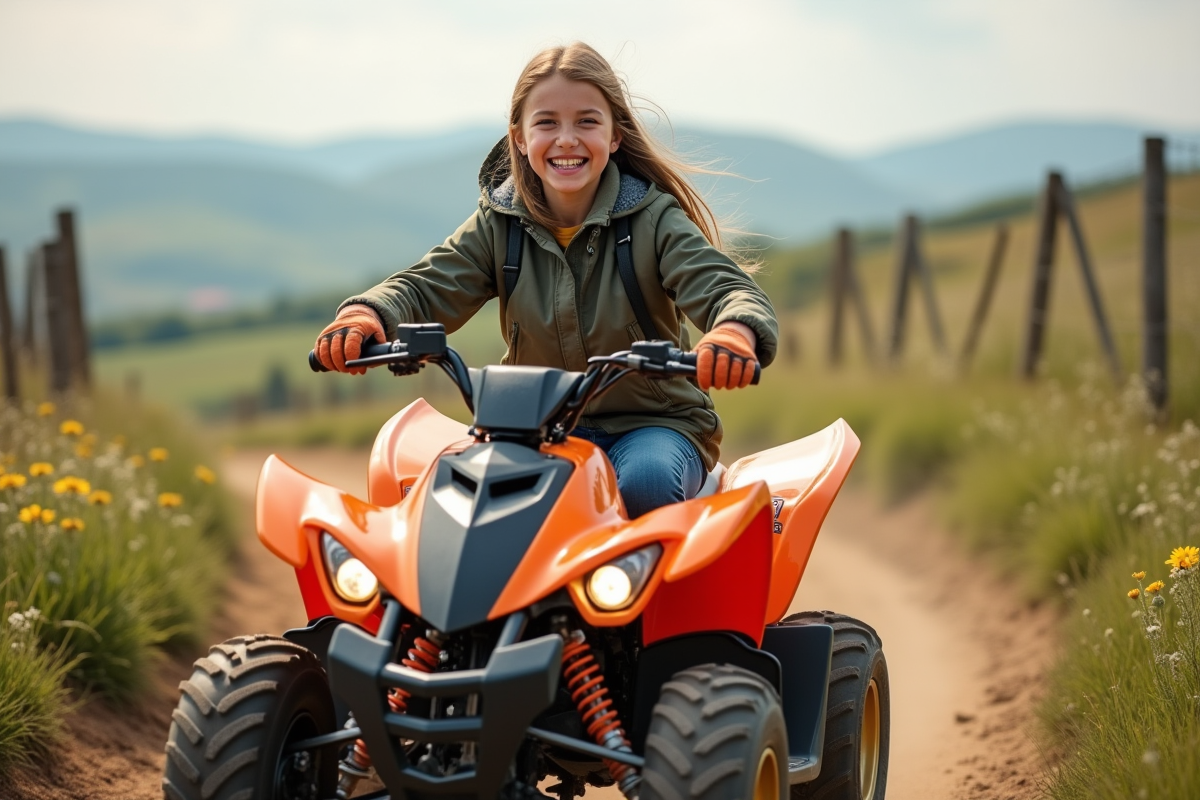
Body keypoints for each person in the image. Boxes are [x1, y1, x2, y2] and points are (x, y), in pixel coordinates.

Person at [315, 42, 778, 518]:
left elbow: (725, 287)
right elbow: (426, 285)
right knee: (454, 505)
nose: (566, 139)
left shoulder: (655, 220)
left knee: (644, 487)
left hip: (653, 426)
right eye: (547, 122)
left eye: (587, 121)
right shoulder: (498, 225)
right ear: (519, 137)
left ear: (615, 135)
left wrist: (733, 331)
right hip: (532, 427)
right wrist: (366, 313)